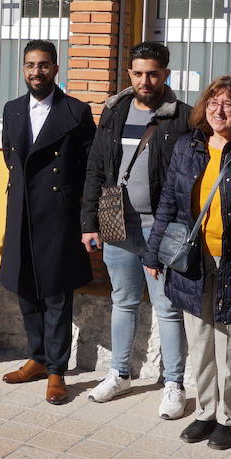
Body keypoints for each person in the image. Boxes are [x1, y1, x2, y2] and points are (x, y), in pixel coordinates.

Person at [144, 75, 231, 449]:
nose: (220, 110)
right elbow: (169, 202)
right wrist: (153, 252)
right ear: (205, 107)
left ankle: (228, 418)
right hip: (194, 260)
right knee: (200, 341)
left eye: (229, 103)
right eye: (214, 102)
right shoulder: (189, 146)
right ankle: (205, 412)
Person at [80, 41, 192, 418]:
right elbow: (96, 168)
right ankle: (120, 373)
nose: (146, 80)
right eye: (139, 73)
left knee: (167, 306)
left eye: (154, 73)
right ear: (129, 73)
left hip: (163, 227)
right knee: (123, 301)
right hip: (118, 224)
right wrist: (88, 223)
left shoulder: (183, 118)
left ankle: (174, 383)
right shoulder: (114, 113)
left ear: (166, 74)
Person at [0, 41, 96, 405]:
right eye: (29, 66)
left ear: (56, 69)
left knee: (56, 293)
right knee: (26, 287)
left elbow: (89, 168)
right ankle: (37, 358)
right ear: (23, 69)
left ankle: (57, 370)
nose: (35, 72)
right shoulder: (12, 110)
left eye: (43, 66)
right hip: (21, 210)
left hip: (58, 214)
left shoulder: (75, 111)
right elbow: (12, 156)